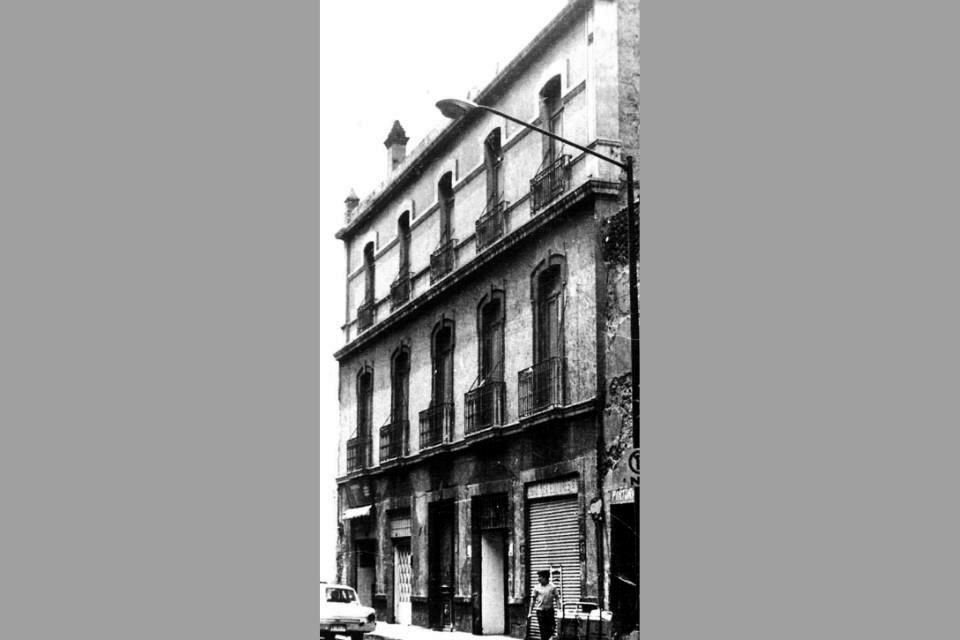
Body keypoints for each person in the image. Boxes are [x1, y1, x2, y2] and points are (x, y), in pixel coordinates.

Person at [529, 569, 560, 640]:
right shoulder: (536, 587)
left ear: (545, 577)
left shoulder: (553, 587)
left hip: (549, 611)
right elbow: (532, 600)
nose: (538, 579)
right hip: (540, 612)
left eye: (540, 577)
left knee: (551, 629)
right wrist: (530, 612)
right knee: (543, 630)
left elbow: (557, 598)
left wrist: (559, 609)